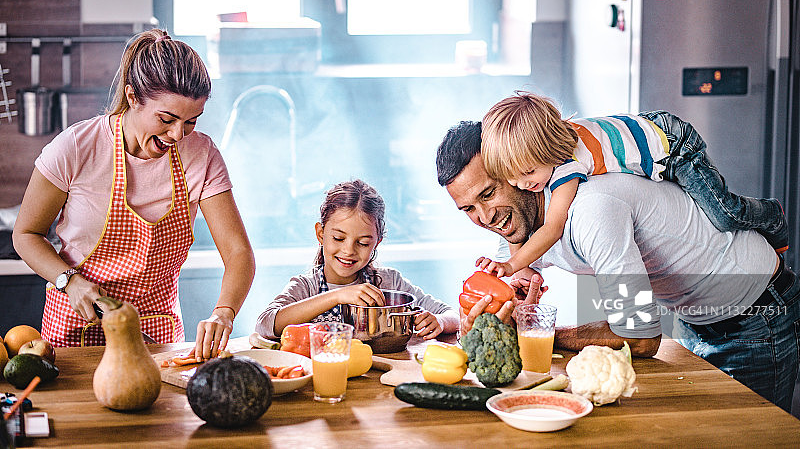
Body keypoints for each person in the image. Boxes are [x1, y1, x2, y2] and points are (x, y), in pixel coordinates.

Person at [436, 120, 800, 411]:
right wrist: (484, 317)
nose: (485, 217)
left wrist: (541, 334)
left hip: (758, 316)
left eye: (488, 194)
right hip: (697, 321)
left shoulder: (591, 211)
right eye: (468, 209)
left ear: (514, 168)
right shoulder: (520, 225)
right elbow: (502, 286)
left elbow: (640, 336)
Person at [12, 29, 255, 360]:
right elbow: (26, 234)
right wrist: (69, 281)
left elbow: (239, 253)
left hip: (158, 336)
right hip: (76, 329)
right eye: (167, 119)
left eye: (191, 122)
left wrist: (224, 311)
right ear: (132, 96)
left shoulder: (202, 155)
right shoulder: (76, 147)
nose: (177, 134)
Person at [476, 92, 788, 278]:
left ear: (550, 152)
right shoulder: (546, 154)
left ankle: (773, 215)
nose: (519, 184)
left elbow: (553, 227)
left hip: (672, 144)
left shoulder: (566, 171)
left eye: (526, 172)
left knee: (724, 214)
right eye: (510, 177)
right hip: (650, 135)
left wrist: (511, 264)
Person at [255, 179, 459, 340]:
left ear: (376, 243)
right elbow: (264, 324)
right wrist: (337, 296)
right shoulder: (306, 287)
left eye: (362, 243)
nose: (348, 250)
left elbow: (452, 314)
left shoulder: (389, 282)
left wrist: (440, 322)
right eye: (338, 238)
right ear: (320, 234)